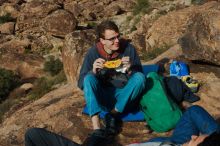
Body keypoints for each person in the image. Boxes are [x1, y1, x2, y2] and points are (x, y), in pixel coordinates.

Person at [77, 20, 146, 134]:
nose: (117, 41)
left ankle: (113, 114)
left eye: (117, 36)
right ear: (102, 40)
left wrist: (130, 70)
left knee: (139, 77)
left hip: (124, 95)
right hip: (103, 96)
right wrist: (93, 71)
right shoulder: (93, 53)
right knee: (88, 79)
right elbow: (81, 83)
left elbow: (140, 76)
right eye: (112, 39)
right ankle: (97, 128)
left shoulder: (128, 49)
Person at [127, 105, 220, 146]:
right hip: (176, 141)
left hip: (168, 142)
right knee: (194, 111)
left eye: (195, 139)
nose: (193, 136)